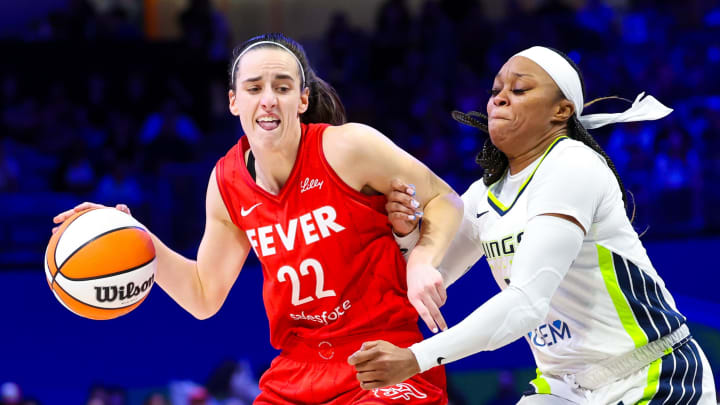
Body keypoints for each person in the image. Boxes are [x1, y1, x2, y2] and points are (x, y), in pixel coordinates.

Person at [52, 33, 463, 404]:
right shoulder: (226, 181)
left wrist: (423, 259)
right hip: (298, 371)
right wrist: (136, 237)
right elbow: (202, 295)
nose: (268, 98)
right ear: (234, 101)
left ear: (301, 100)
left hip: (381, 356)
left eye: (282, 87)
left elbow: (445, 199)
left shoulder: (349, 147)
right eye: (254, 88)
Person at [348, 46, 717, 404]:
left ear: (561, 111)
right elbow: (432, 279)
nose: (499, 99)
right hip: (562, 386)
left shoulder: (573, 165)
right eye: (495, 91)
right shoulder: (483, 195)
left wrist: (416, 358)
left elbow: (526, 304)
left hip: (651, 375)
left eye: (519, 89)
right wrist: (407, 234)